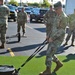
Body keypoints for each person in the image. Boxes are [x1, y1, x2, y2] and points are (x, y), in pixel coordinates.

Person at [39, 1, 68, 75]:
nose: (55, 11)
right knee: (50, 52)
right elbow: (53, 27)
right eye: (55, 9)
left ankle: (48, 71)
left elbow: (62, 31)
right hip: (52, 37)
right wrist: (48, 35)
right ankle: (58, 63)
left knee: (49, 53)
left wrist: (53, 38)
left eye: (56, 9)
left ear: (61, 8)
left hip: (58, 39)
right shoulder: (57, 15)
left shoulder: (64, 17)